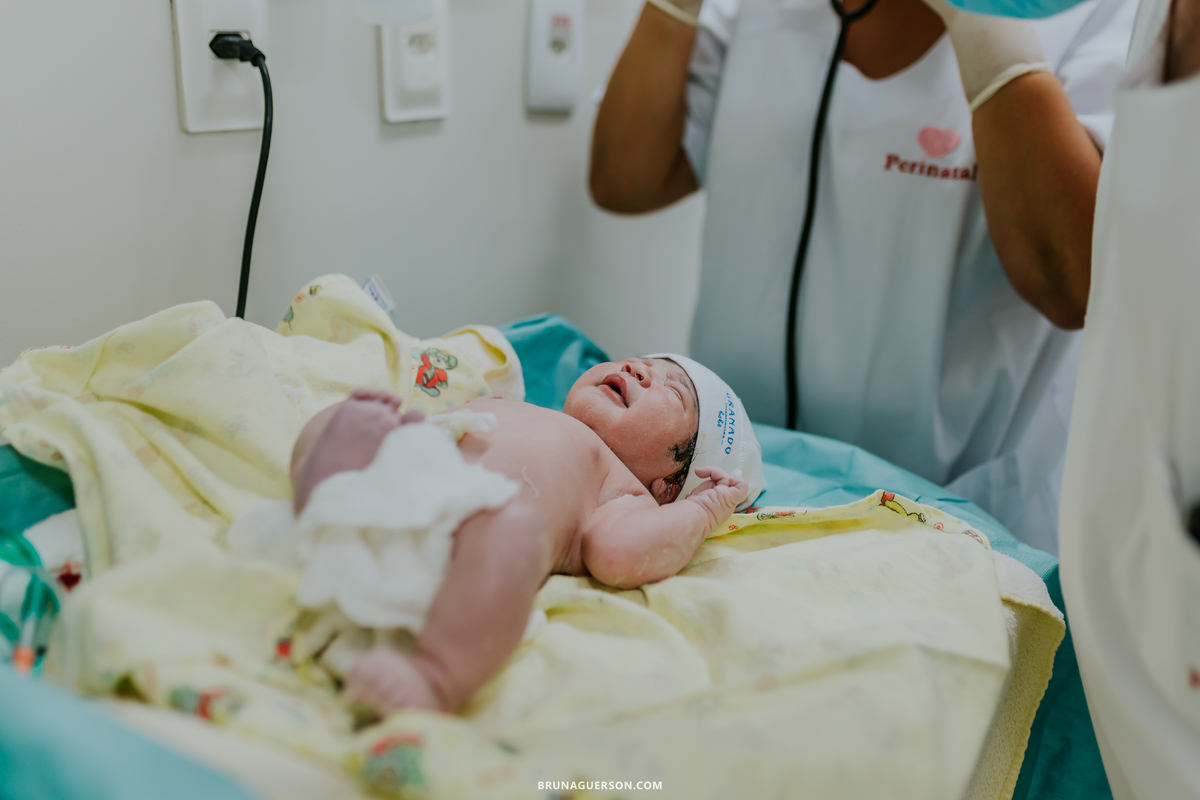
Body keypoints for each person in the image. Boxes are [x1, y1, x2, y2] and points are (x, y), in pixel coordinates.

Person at [589, 0, 1136, 554]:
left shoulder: (1098, 14)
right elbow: (625, 179)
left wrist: (992, 38)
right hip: (734, 503)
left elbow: (1075, 284)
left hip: (958, 523)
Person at [288, 356, 763, 713]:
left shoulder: (624, 493)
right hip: (393, 486)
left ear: (669, 486)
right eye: (642, 362)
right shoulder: (517, 406)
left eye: (674, 391)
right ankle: (328, 488)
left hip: (457, 552)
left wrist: (703, 511)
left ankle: (434, 677)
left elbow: (620, 555)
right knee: (341, 418)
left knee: (514, 528)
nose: (639, 370)